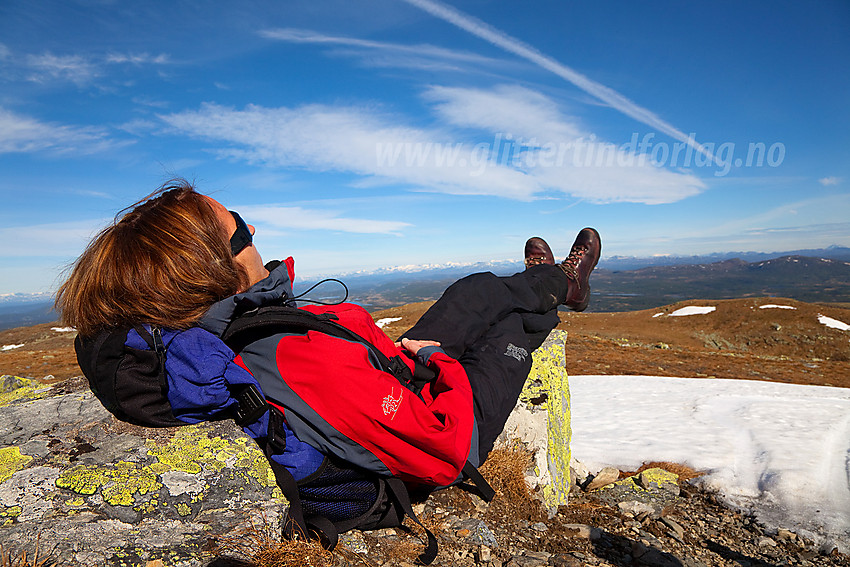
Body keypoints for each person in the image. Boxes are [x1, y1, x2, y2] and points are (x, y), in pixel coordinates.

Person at [55, 178, 600, 517]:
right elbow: (443, 445)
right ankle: (558, 287)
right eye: (241, 229)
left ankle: (547, 281)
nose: (255, 228)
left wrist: (394, 359)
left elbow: (340, 383)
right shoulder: (287, 356)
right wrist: (435, 364)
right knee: (507, 327)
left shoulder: (222, 331)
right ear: (215, 269)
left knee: (476, 289)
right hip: (445, 422)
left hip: (386, 377)